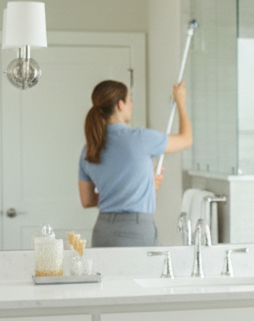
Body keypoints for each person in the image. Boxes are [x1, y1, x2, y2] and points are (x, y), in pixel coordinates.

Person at [78, 78, 192, 247]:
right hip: (136, 230)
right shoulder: (141, 138)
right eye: (129, 100)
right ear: (120, 105)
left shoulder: (89, 148)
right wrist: (181, 102)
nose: (132, 105)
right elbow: (186, 140)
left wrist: (143, 187)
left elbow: (87, 200)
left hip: (103, 230)